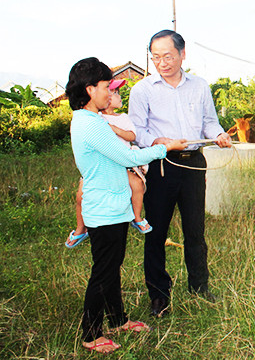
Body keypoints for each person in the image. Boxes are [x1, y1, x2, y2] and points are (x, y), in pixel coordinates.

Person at [65, 57, 187, 353]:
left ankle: (118, 319)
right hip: (103, 210)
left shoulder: (93, 120)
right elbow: (129, 158)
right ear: (90, 89)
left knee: (112, 267)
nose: (111, 93)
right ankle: (91, 334)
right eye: (107, 87)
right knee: (103, 272)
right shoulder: (89, 125)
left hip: (113, 207)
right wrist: (164, 148)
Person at [129, 29, 232, 317]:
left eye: (168, 56)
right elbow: (137, 131)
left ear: (182, 54)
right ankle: (159, 296)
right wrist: (157, 142)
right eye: (156, 57)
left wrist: (220, 135)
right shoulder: (143, 90)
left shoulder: (199, 86)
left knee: (195, 230)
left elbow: (209, 123)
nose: (162, 63)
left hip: (193, 165)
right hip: (162, 166)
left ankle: (200, 287)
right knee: (156, 231)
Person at [65, 79, 151, 249]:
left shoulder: (123, 118)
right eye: (113, 91)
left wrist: (114, 128)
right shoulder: (95, 118)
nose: (117, 96)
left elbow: (132, 137)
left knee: (136, 185)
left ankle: (137, 217)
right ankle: (81, 228)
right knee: (80, 195)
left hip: (123, 163)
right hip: (102, 165)